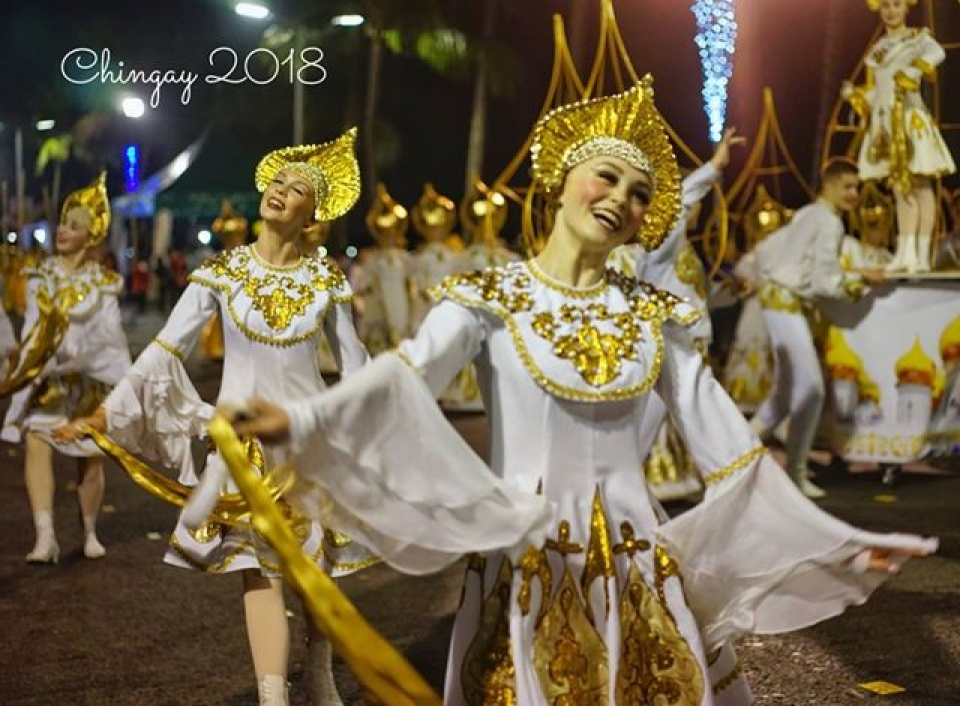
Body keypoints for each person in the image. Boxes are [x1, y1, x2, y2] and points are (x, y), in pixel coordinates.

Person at [224, 82, 934, 705]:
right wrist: (302, 418)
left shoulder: (655, 315)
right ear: (560, 182)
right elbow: (404, 378)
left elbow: (733, 450)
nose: (622, 200)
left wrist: (834, 543)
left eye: (640, 194)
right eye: (607, 178)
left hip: (637, 567)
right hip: (524, 564)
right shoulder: (488, 297)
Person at [59, 129, 371, 706]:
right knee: (260, 569)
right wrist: (107, 413)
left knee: (313, 575)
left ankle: (319, 663)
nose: (281, 191)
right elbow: (165, 351)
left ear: (312, 215)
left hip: (308, 445)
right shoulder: (220, 273)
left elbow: (355, 366)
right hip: (243, 451)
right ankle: (272, 695)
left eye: (297, 188)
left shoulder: (326, 280)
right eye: (277, 180)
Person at [1, 172, 131, 563]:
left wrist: (119, 379)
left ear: (91, 237)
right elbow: (33, 328)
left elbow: (110, 334)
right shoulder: (39, 276)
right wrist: (25, 364)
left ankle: (89, 530)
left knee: (89, 457)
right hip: (47, 380)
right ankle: (46, 537)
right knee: (37, 445)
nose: (62, 230)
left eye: (74, 226)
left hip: (88, 380)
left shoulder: (104, 283)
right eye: (63, 222)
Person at [608, 126, 744, 501]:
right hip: (664, 350)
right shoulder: (660, 246)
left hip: (687, 348)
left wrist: (725, 296)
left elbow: (691, 299)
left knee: (695, 424)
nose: (696, 210)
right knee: (646, 430)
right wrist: (714, 167)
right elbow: (681, 202)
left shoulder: (683, 254)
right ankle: (608, 502)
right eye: (693, 204)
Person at [736, 158, 885, 498]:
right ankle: (795, 471)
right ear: (828, 185)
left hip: (778, 300)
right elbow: (823, 282)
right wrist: (862, 278)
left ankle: (732, 459)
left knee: (783, 395)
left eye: (856, 187)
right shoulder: (829, 222)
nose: (854, 194)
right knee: (812, 389)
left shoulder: (807, 213)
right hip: (786, 302)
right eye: (848, 186)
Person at [842, 0, 956, 273]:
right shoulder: (879, 49)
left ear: (906, 8)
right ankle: (904, 252)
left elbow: (936, 53)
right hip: (886, 125)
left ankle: (921, 254)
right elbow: (878, 93)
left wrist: (914, 70)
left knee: (920, 185)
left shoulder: (918, 38)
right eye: (885, 7)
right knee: (899, 188)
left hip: (909, 120)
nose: (891, 12)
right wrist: (855, 96)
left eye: (896, 5)